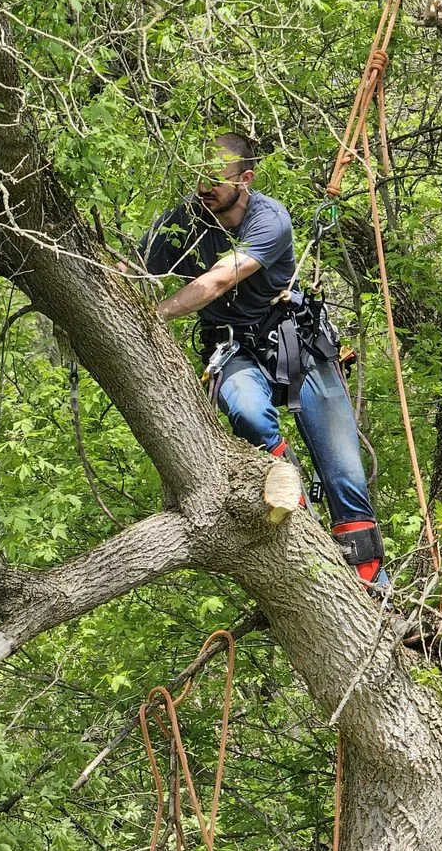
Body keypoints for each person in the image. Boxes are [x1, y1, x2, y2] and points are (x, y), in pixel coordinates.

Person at [137, 133, 386, 587]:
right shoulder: (183, 221)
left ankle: (372, 583)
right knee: (249, 414)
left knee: (345, 475)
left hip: (298, 344)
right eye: (197, 177)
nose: (204, 187)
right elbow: (131, 265)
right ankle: (298, 515)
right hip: (233, 348)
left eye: (216, 179)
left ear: (246, 179)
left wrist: (155, 315)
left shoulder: (270, 219)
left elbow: (218, 280)